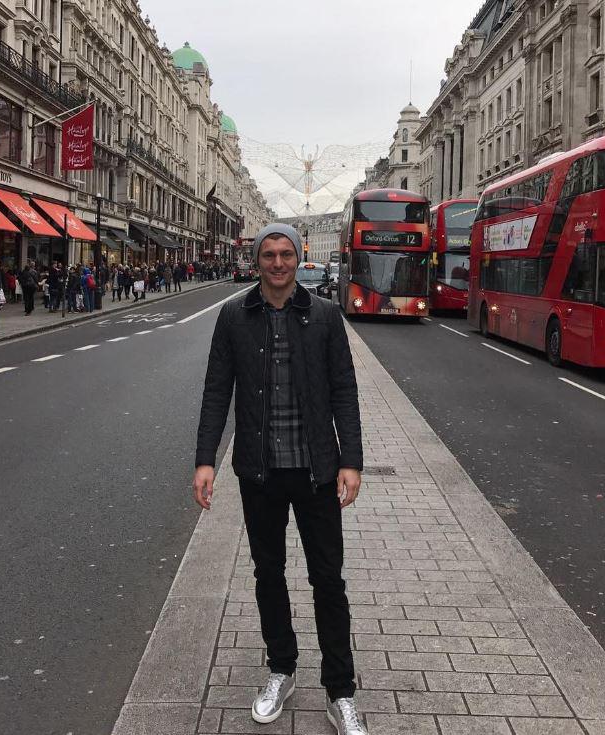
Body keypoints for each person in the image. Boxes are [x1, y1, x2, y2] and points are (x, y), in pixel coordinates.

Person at [193, 223, 367, 734]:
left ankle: (340, 691)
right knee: (268, 575)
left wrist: (350, 461)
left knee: (327, 579)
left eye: (285, 254)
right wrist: (206, 459)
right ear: (256, 260)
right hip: (259, 470)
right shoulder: (233, 316)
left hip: (317, 470)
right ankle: (282, 669)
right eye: (268, 254)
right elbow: (215, 390)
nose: (277, 263)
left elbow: (344, 391)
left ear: (298, 258)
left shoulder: (325, 316)